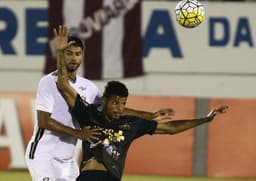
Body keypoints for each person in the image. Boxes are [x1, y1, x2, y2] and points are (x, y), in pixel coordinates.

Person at [55, 26, 228, 181]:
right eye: (115, 103)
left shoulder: (131, 124)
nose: (119, 108)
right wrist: (60, 53)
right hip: (86, 177)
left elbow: (170, 129)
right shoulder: (89, 113)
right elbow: (63, 84)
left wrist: (204, 120)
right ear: (105, 100)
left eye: (123, 104)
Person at [25, 25, 174, 181]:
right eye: (68, 53)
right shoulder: (48, 82)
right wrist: (78, 134)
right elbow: (43, 121)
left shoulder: (88, 87)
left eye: (77, 54)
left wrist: (149, 115)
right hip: (44, 155)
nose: (73, 58)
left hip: (68, 159)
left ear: (82, 56)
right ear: (62, 54)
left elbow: (111, 109)